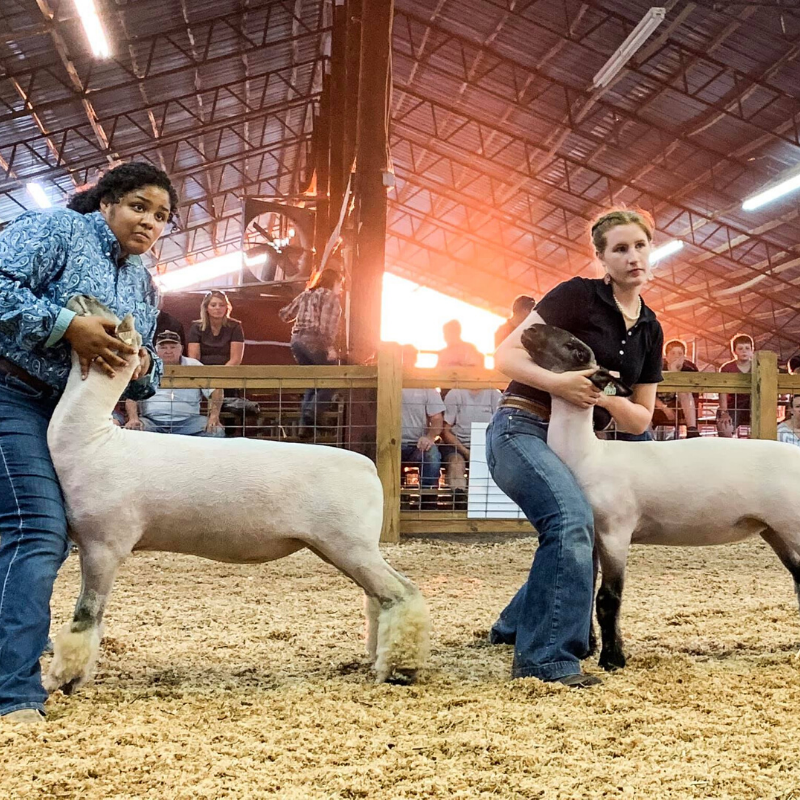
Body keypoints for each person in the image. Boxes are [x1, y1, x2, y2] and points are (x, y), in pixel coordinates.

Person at [0, 161, 178, 724]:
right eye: (139, 206)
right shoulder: (55, 229)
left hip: (78, 421)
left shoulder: (142, 282)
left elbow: (146, 376)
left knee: (53, 532)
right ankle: (12, 693)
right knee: (38, 531)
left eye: (162, 216)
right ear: (106, 203)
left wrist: (144, 365)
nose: (149, 222)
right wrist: (63, 324)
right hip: (13, 394)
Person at [486, 208, 663, 688]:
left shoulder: (649, 327)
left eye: (640, 246)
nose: (632, 257)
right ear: (602, 258)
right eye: (620, 249)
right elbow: (505, 354)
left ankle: (512, 627)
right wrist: (560, 384)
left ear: (652, 250)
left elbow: (642, 416)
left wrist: (602, 394)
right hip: (521, 424)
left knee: (579, 522)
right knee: (570, 519)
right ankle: (547, 661)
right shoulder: (576, 296)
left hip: (587, 443)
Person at [124, 330, 225, 437]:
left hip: (189, 422)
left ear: (181, 349)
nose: (168, 351)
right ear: (156, 350)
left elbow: (216, 390)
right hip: (152, 422)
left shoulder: (194, 366)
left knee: (216, 431)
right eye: (163, 347)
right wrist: (133, 418)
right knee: (133, 430)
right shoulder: (147, 365)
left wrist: (214, 416)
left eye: (173, 347)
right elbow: (132, 396)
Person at [278, 268, 343, 433]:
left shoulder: (306, 294)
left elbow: (284, 315)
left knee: (313, 383)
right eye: (340, 284)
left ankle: (304, 427)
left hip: (297, 342)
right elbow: (326, 325)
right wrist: (329, 347)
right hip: (314, 340)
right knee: (333, 377)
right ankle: (313, 412)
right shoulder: (331, 297)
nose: (340, 288)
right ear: (335, 282)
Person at [440, 386, 501, 506]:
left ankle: (485, 503)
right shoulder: (455, 393)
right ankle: (459, 497)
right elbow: (445, 431)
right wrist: (465, 451)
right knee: (456, 462)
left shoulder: (495, 394)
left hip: (486, 444)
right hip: (456, 444)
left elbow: (499, 426)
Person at [400, 345, 445, 497]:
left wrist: (430, 437)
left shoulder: (426, 384)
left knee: (432, 454)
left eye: (409, 356)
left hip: (417, 445)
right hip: (389, 442)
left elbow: (437, 418)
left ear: (415, 359)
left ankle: (428, 501)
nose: (406, 360)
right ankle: (391, 500)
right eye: (403, 356)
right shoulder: (386, 379)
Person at [653, 339, 700, 439]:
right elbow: (649, 393)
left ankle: (692, 430)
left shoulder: (690, 369)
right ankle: (647, 439)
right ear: (666, 356)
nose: (676, 356)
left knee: (684, 391)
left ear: (684, 356)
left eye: (680, 353)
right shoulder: (657, 367)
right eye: (673, 353)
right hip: (657, 406)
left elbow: (694, 396)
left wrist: (675, 372)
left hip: (681, 408)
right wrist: (664, 408)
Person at [187, 290, 244, 367]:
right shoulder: (196, 327)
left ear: (226, 307)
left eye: (222, 305)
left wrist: (220, 374)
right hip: (202, 372)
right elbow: (194, 359)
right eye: (213, 305)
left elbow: (235, 359)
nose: (218, 308)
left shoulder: (235, 326)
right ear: (206, 308)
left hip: (227, 372)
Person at [717, 333, 754, 438]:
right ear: (734, 351)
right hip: (733, 405)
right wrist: (724, 411)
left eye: (747, 348)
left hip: (754, 404)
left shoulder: (757, 366)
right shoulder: (727, 368)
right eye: (740, 348)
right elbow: (722, 391)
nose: (744, 351)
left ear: (752, 350)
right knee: (724, 425)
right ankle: (727, 446)